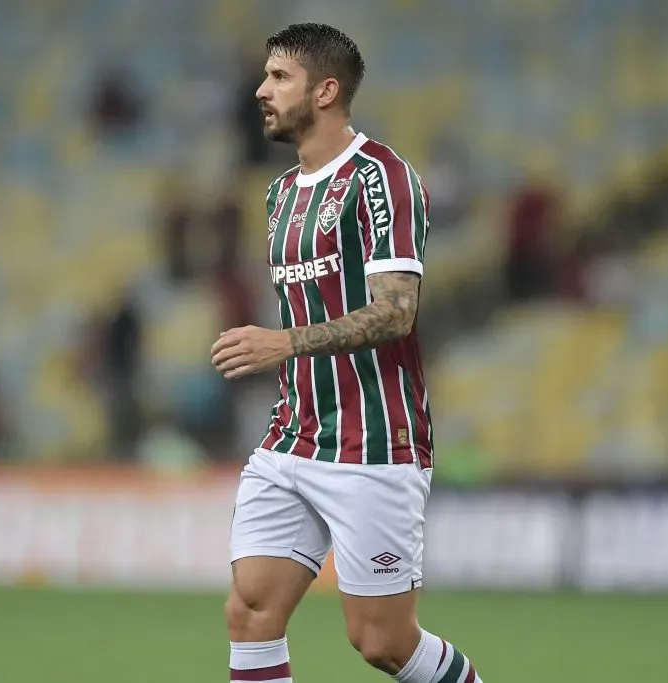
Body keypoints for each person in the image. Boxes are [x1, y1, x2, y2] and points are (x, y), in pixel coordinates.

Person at [210, 24, 483, 683]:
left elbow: (397, 310)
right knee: (250, 610)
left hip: (375, 444)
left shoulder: (381, 178)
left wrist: (283, 343)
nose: (261, 90)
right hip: (293, 439)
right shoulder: (280, 195)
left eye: (279, 78)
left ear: (326, 91)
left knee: (383, 642)